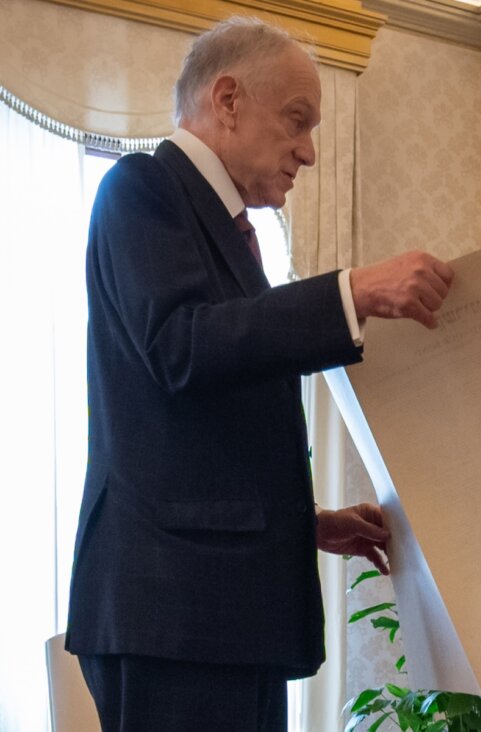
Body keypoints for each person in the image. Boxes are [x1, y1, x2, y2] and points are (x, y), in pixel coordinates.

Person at [64, 17, 456, 731]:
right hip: (174, 615)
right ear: (228, 100)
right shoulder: (141, 188)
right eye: (297, 120)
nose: (309, 152)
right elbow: (180, 346)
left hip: (214, 613)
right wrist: (353, 292)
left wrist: (302, 522)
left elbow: (196, 427)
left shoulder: (224, 228)